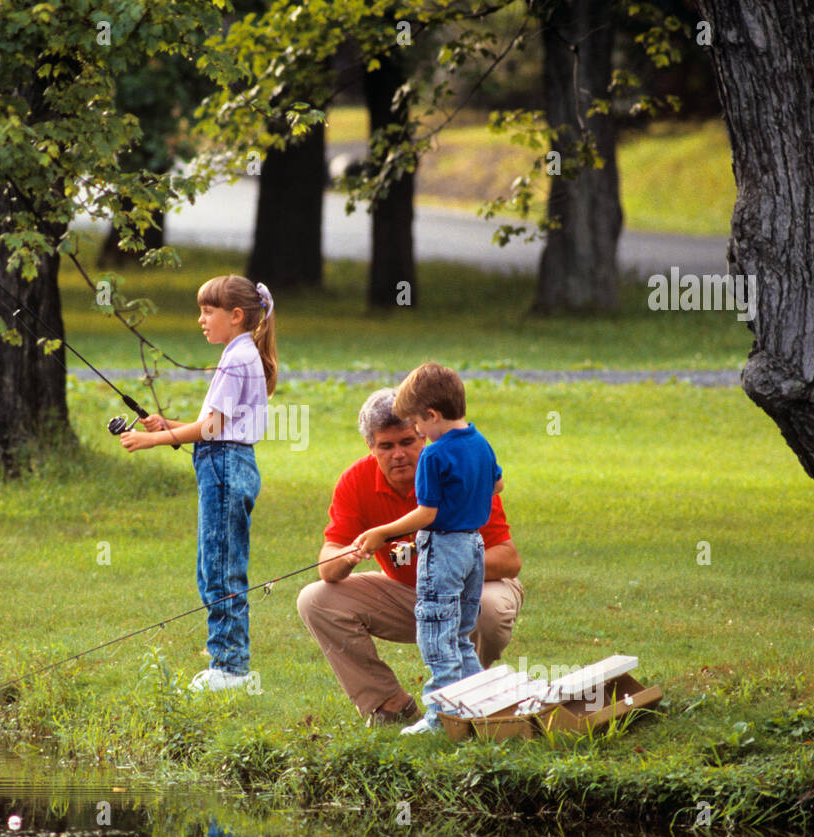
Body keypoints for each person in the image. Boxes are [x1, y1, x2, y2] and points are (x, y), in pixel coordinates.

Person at [297, 386, 524, 727]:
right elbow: (328, 564)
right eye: (386, 446)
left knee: (489, 611)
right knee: (315, 598)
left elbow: (508, 560)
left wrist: (444, 561)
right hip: (410, 594)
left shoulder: (455, 469)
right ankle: (390, 706)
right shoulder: (356, 481)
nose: (398, 454)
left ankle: (471, 701)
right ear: (370, 447)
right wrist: (349, 555)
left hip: (471, 591)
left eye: (407, 442)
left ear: (422, 435)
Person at [120, 274, 277, 692]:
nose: (201, 320)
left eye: (208, 312)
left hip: (224, 466)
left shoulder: (237, 357)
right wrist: (168, 424)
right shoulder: (241, 353)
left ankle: (231, 669)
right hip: (225, 462)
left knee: (221, 569)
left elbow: (212, 427)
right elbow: (215, 425)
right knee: (214, 566)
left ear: (236, 315)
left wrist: (153, 439)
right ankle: (227, 659)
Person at [352, 363, 502, 734]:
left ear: (432, 415)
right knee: (462, 634)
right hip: (474, 547)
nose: (417, 433)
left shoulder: (434, 456)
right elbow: (496, 487)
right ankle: (474, 707)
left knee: (436, 632)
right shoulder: (480, 442)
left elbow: (426, 513)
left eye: (417, 425)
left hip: (445, 546)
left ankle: (439, 718)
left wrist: (381, 533)